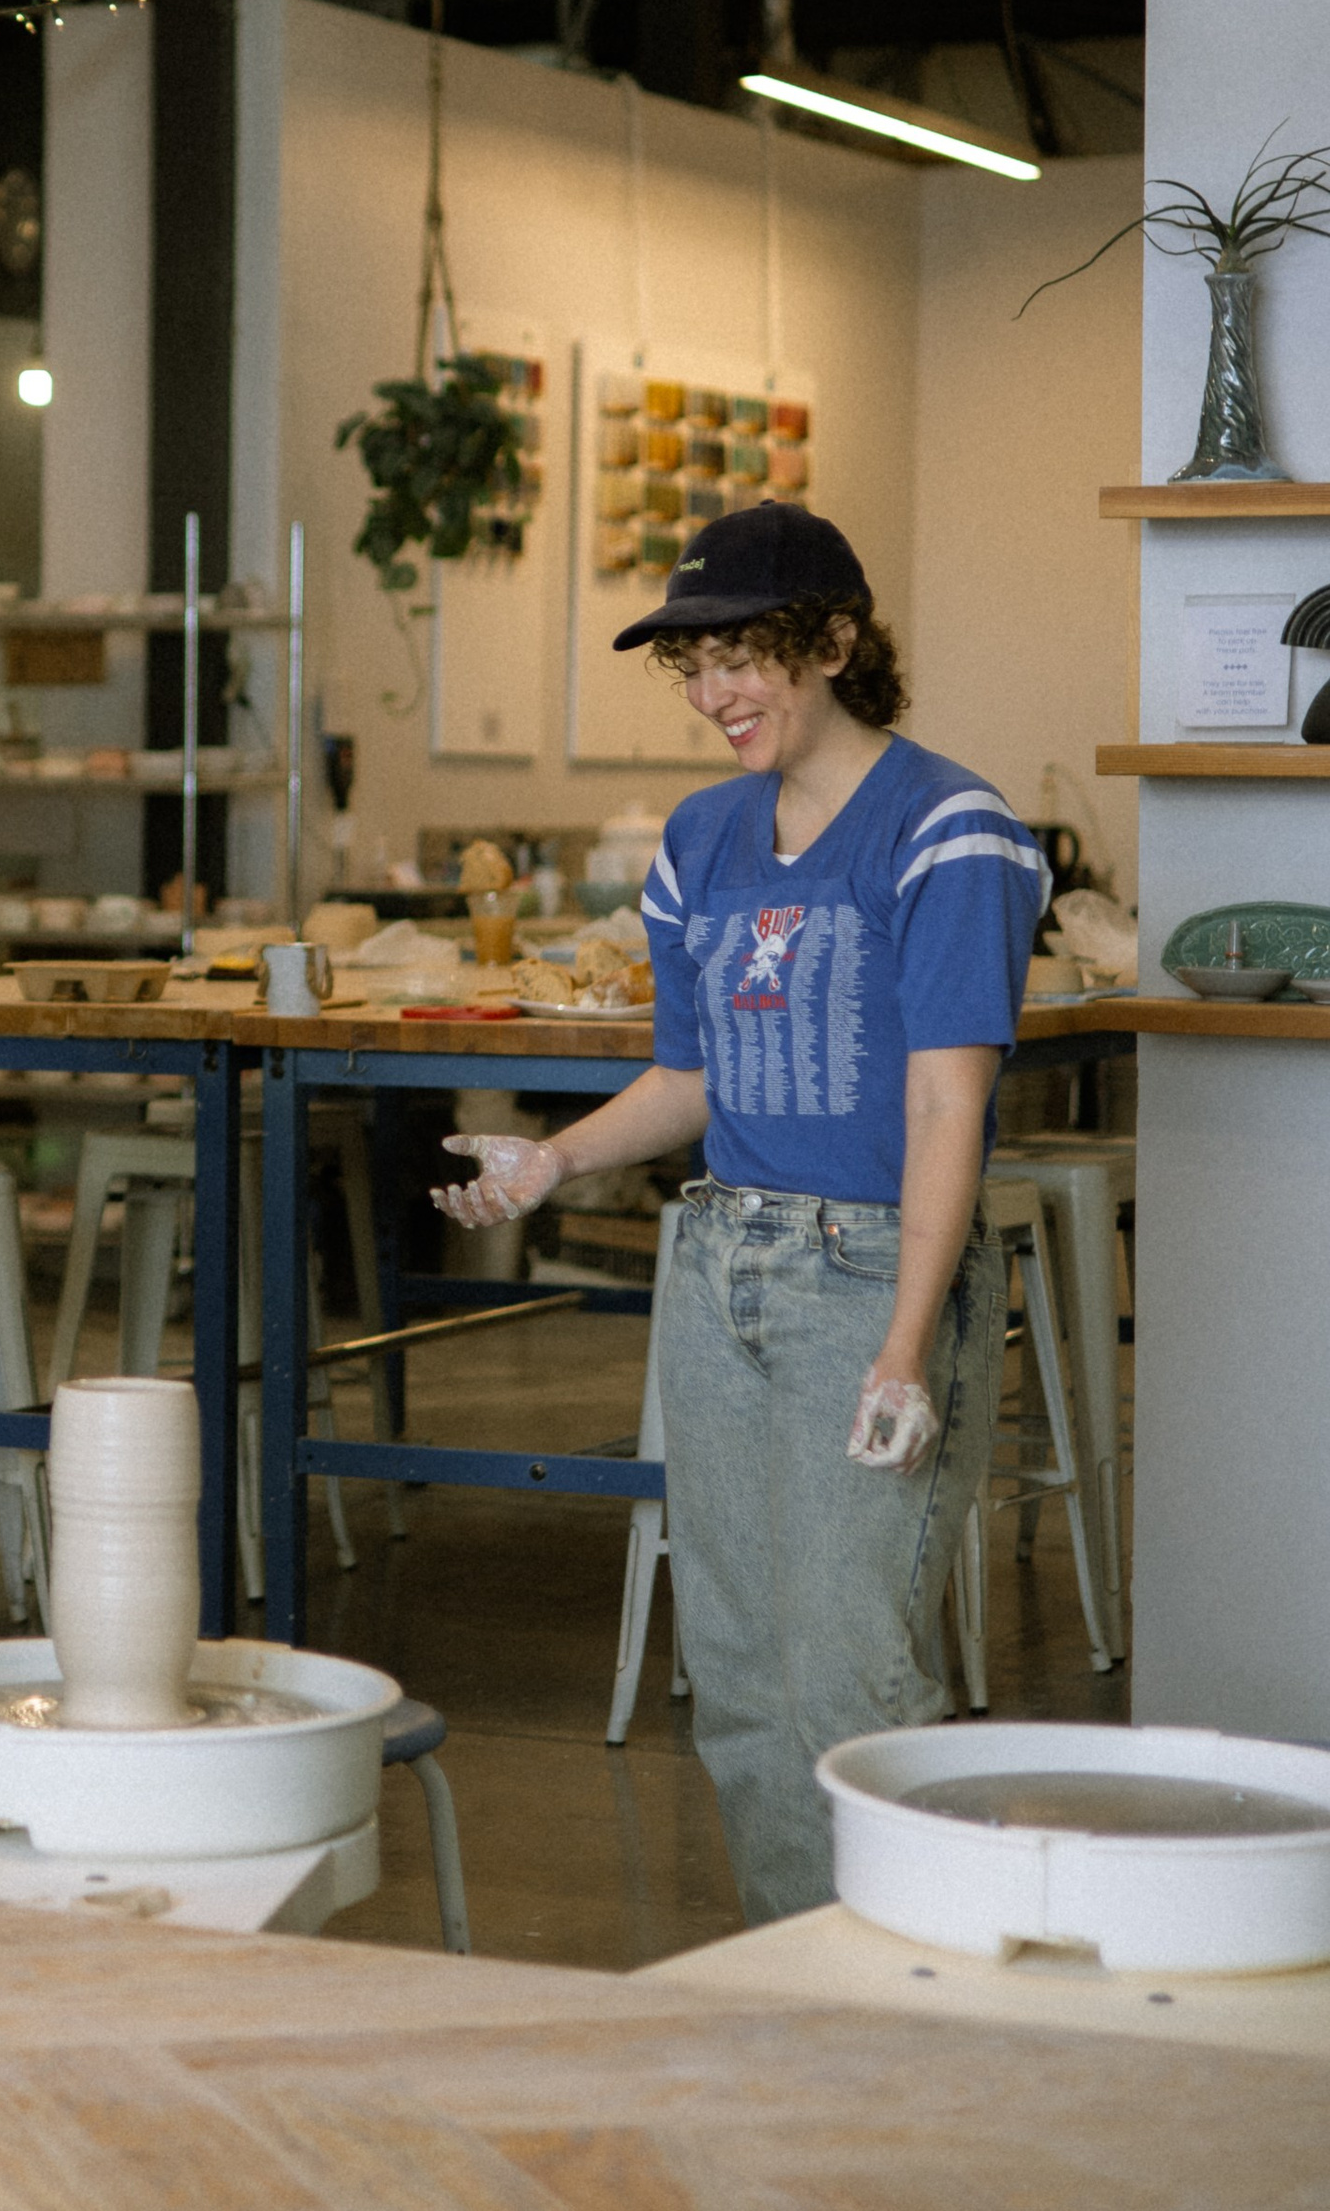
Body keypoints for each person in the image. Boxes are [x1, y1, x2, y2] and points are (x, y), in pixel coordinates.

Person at [437, 506, 1049, 1922]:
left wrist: (905, 1344)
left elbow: (946, 1106)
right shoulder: (702, 837)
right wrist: (551, 1162)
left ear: (835, 642)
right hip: (721, 1263)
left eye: (745, 653)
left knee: (851, 1675)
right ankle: (804, 1966)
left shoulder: (950, 829)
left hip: (867, 1277)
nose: (716, 691)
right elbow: (689, 1076)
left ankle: (910, 1988)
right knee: (741, 1674)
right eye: (694, 662)